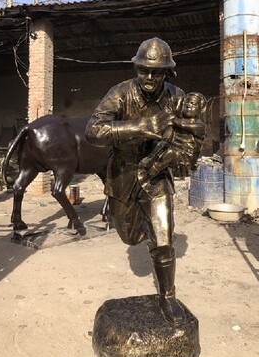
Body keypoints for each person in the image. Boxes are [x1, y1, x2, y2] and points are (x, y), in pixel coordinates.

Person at [86, 37, 204, 326]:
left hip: (156, 175)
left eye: (157, 71)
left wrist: (185, 151)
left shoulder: (177, 97)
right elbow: (93, 130)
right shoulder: (121, 93)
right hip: (124, 174)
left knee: (163, 241)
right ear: (137, 68)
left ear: (167, 72)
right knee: (129, 236)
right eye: (144, 70)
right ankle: (143, 236)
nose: (149, 77)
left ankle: (168, 296)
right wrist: (137, 127)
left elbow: (192, 132)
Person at [137, 91, 206, 187]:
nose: (188, 106)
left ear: (201, 109)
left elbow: (182, 124)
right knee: (167, 134)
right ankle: (151, 158)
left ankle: (149, 174)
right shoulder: (177, 122)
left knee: (171, 152)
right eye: (186, 103)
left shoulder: (199, 125)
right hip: (172, 151)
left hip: (186, 158)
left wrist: (169, 116)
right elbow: (173, 126)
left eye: (193, 104)